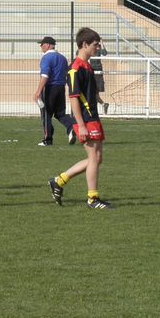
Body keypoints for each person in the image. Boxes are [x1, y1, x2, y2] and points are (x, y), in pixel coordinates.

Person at [48, 28, 113, 209]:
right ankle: (92, 198)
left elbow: (90, 93)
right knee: (93, 157)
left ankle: (59, 181)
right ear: (84, 44)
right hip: (85, 119)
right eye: (95, 44)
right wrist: (81, 125)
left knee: (97, 158)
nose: (98, 48)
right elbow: (74, 98)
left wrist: (100, 101)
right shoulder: (75, 69)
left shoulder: (87, 66)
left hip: (93, 116)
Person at [33, 36, 75, 146]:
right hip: (61, 87)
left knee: (46, 114)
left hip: (49, 88)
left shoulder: (46, 58)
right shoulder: (62, 58)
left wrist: (38, 91)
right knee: (60, 113)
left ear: (48, 45)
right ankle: (72, 127)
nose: (41, 46)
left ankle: (47, 140)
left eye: (42, 44)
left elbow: (45, 75)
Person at [89, 40, 110, 114]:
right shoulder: (89, 49)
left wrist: (102, 43)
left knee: (94, 92)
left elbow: (104, 53)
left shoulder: (98, 50)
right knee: (92, 93)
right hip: (90, 72)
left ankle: (102, 105)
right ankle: (103, 105)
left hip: (97, 73)